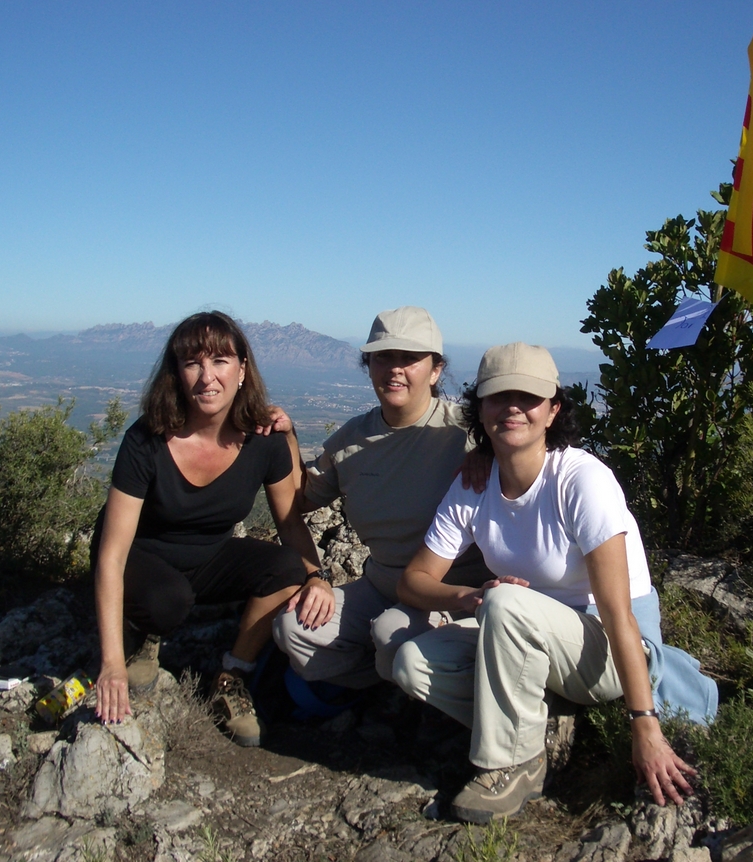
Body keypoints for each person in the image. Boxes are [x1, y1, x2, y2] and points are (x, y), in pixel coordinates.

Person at [392, 343, 718, 823]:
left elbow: (619, 614)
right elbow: (414, 582)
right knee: (411, 663)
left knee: (507, 603)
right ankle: (537, 723)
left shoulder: (581, 480)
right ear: (480, 409)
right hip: (531, 639)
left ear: (553, 410)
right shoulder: (475, 484)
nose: (513, 408)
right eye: (498, 397)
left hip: (609, 647)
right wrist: (471, 596)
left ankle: (513, 765)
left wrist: (645, 726)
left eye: (529, 397)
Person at [93, 311, 331, 746]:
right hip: (139, 559)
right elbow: (111, 555)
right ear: (176, 374)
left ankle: (232, 674)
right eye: (192, 363)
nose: (207, 377)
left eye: (220, 361)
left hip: (207, 558)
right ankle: (141, 634)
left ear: (242, 370)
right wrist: (110, 664)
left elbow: (290, 524)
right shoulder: (146, 440)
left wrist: (318, 576)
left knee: (287, 567)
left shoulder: (264, 441)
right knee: (169, 601)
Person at [272, 306, 490, 689]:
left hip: (453, 594)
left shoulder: (467, 435)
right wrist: (287, 437)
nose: (395, 369)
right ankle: (376, 687)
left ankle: (416, 687)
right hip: (380, 586)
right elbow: (302, 499)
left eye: (410, 358)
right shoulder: (351, 440)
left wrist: (489, 452)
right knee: (294, 627)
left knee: (394, 636)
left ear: (435, 370)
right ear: (369, 366)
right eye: (383, 357)